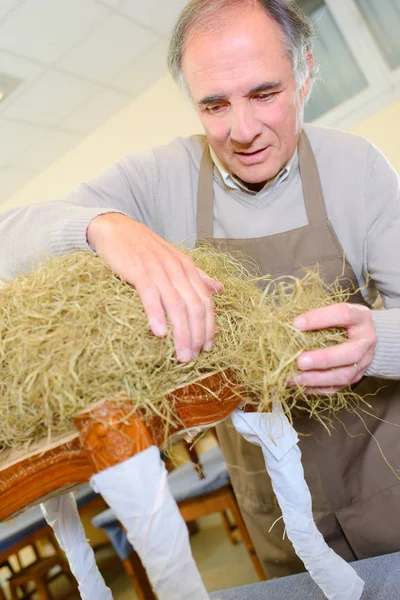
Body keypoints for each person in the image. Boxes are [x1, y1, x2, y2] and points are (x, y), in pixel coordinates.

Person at [1, 0, 400, 578]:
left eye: (265, 94)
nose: (242, 131)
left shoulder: (356, 167)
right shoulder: (161, 179)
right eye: (215, 104)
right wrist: (105, 227)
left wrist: (377, 342)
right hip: (277, 515)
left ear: (306, 72)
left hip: (387, 478)